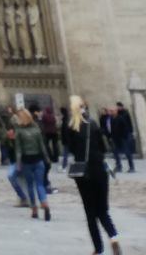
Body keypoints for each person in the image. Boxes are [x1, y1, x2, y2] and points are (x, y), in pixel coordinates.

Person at [64, 94, 121, 254]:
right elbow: (103, 148)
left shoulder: (71, 126)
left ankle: (98, 249)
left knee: (91, 212)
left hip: (84, 172)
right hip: (99, 170)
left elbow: (71, 148)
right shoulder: (94, 124)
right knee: (103, 210)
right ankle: (113, 237)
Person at [14, 107, 50, 220]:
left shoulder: (19, 131)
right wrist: (47, 158)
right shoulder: (36, 129)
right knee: (40, 184)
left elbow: (18, 149)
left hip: (26, 161)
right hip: (38, 159)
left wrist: (18, 162)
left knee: (30, 185)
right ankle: (44, 202)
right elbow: (42, 146)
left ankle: (34, 209)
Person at [111, 102, 135, 173]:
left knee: (127, 153)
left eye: (112, 111)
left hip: (123, 138)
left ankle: (131, 167)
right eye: (111, 111)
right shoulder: (112, 118)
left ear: (116, 111)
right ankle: (119, 166)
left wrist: (124, 137)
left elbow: (125, 128)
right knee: (115, 153)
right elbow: (112, 129)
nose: (111, 112)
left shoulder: (120, 118)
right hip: (116, 139)